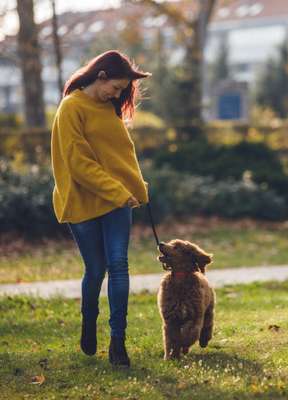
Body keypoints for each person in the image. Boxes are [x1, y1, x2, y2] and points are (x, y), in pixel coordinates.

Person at [50, 50, 151, 367]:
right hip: (83, 201)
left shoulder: (109, 108)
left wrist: (136, 187)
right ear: (101, 76)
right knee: (96, 269)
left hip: (118, 201)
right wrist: (117, 192)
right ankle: (88, 319)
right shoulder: (71, 108)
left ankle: (118, 341)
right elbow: (78, 164)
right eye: (117, 87)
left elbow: (121, 154)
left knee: (119, 264)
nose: (118, 95)